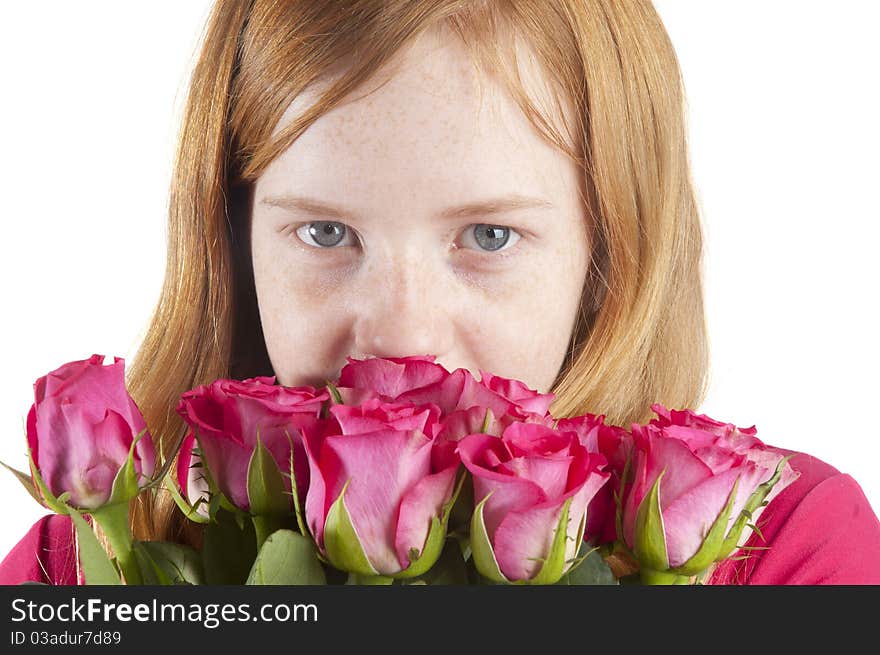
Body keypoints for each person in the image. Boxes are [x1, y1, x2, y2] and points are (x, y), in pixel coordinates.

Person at [1, 0, 878, 586]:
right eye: (325, 233)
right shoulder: (87, 568)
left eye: (488, 236)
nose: (402, 338)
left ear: (613, 248)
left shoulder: (787, 549)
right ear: (232, 242)